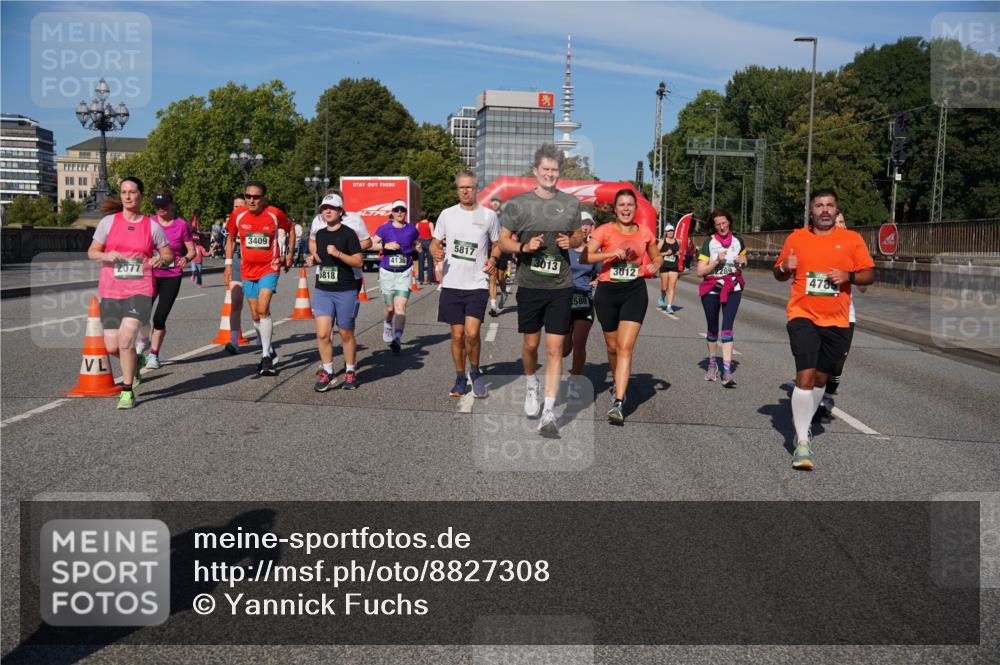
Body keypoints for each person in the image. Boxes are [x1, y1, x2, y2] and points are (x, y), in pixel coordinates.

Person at [774, 189, 875, 470]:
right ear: (811, 211)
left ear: (836, 209)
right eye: (819, 205)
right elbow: (779, 273)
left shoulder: (852, 239)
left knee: (820, 379)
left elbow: (870, 273)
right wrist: (785, 265)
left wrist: (848, 276)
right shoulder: (796, 238)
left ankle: (804, 425)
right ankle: (802, 441)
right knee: (804, 376)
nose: (825, 210)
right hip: (802, 315)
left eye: (830, 205)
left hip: (838, 320)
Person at [499, 144, 584, 435]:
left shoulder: (571, 204)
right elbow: (502, 242)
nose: (550, 174)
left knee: (555, 348)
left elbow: (577, 235)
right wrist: (524, 246)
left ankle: (548, 413)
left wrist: (570, 242)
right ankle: (531, 383)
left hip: (561, 285)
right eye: (545, 169)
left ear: (559, 172)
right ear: (535, 171)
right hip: (530, 284)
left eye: (554, 169)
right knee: (531, 345)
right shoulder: (518, 204)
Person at [86, 177, 172, 409]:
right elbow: (92, 252)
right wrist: (106, 255)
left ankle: (127, 391)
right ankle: (136, 360)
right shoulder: (108, 222)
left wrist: (160, 260)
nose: (127, 196)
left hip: (140, 289)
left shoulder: (151, 226)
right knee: (113, 346)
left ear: (140, 195)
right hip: (111, 290)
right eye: (124, 192)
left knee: (126, 339)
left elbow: (168, 255)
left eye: (132, 192)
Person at [583, 189, 660, 424]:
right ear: (615, 209)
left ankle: (618, 401)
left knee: (626, 347)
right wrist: (610, 253)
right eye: (622, 205)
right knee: (613, 348)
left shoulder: (644, 232)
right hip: (607, 293)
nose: (626, 209)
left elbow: (657, 257)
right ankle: (619, 382)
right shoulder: (604, 230)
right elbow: (585, 257)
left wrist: (655, 265)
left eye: (630, 205)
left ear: (635, 209)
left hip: (634, 292)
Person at [430, 170, 500, 398]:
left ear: (476, 188)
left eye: (469, 187)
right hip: (452, 283)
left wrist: (493, 258)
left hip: (477, 283)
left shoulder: (489, 216)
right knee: (457, 335)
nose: (466, 191)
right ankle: (460, 376)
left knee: (472, 333)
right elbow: (434, 242)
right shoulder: (447, 215)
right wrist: (436, 252)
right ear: (457, 189)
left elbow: (497, 244)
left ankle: (476, 371)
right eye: (462, 187)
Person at [224, 180, 294, 376]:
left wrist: (289, 254)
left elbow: (290, 228)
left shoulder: (274, 213)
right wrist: (228, 264)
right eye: (248, 197)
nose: (251, 200)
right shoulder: (238, 214)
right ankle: (270, 349)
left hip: (269, 267)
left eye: (256, 197)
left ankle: (265, 357)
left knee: (263, 309)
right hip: (247, 269)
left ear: (264, 199)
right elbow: (230, 238)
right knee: (255, 315)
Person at [307, 193, 363, 391]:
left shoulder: (348, 234)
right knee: (322, 334)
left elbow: (358, 261)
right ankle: (328, 372)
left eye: (331, 208)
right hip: (323, 289)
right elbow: (323, 258)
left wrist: (338, 253)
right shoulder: (320, 234)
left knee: (346, 333)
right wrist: (314, 260)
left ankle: (349, 371)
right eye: (324, 208)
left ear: (340, 211)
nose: (327, 211)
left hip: (345, 289)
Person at [816, 212, 867, 421]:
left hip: (846, 314)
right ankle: (817, 402)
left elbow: (864, 288)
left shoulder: (852, 249)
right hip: (818, 313)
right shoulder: (817, 246)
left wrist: (852, 274)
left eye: (843, 221)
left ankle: (826, 397)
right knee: (819, 360)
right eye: (837, 222)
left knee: (837, 362)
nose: (841, 225)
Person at [138, 190, 196, 369]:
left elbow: (192, 250)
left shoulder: (181, 225)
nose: (160, 209)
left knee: (159, 318)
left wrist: (186, 258)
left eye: (163, 205)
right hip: (150, 275)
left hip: (171, 276)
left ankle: (154, 355)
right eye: (157, 206)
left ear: (171, 205)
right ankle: (144, 339)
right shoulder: (149, 222)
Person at [697, 209, 748, 388]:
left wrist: (743, 261)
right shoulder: (709, 243)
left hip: (733, 287)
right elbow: (700, 271)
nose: (722, 226)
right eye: (718, 224)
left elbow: (744, 257)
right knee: (713, 329)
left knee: (727, 328)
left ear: (729, 222)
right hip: (712, 288)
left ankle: (727, 371)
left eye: (724, 223)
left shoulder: (737, 240)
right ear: (714, 226)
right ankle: (712, 365)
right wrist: (715, 262)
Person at [372, 199, 420, 354]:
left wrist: (416, 248)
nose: (400, 212)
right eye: (397, 210)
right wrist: (385, 246)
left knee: (400, 307)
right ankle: (387, 324)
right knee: (390, 307)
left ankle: (397, 338)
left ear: (405, 213)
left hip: (404, 272)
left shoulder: (412, 229)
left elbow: (415, 244)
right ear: (392, 212)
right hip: (387, 272)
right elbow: (371, 244)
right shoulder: (384, 229)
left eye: (402, 210)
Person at [563, 212, 598, 398]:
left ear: (591, 228)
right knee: (564, 349)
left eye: (588, 224)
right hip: (564, 299)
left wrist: (601, 280)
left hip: (585, 299)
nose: (585, 227)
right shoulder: (565, 247)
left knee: (579, 343)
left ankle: (575, 382)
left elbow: (604, 270)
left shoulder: (594, 251)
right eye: (581, 224)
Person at [488, 195, 512, 316]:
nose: (495, 203)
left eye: (497, 201)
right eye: (493, 201)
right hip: (491, 249)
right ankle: (493, 306)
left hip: (503, 249)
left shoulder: (505, 216)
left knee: (500, 277)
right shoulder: (487, 215)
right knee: (492, 277)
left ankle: (504, 293)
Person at [658, 224, 680, 313]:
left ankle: (669, 306)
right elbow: (656, 253)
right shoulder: (662, 241)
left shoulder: (677, 241)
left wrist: (679, 253)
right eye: (669, 231)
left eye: (672, 230)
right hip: (664, 266)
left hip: (674, 266)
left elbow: (680, 251)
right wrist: (666, 253)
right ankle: (663, 295)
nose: (671, 232)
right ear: (666, 232)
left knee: (672, 287)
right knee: (664, 288)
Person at [416, 211, 435, 285]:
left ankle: (420, 280)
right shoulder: (430, 224)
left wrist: (417, 243)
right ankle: (431, 280)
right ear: (427, 216)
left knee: (421, 261)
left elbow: (416, 235)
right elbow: (433, 234)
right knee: (430, 261)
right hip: (429, 242)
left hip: (420, 242)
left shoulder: (418, 224)